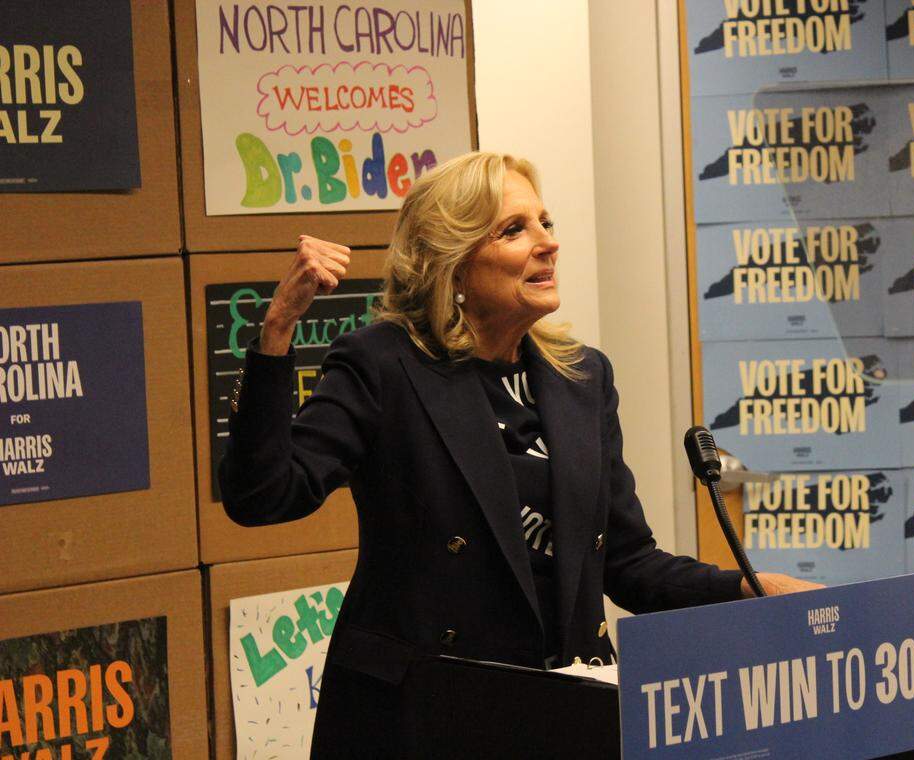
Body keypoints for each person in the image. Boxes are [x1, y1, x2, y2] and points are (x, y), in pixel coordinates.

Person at [218, 152, 821, 757]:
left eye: (546, 223)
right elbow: (264, 496)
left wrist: (747, 588)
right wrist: (276, 333)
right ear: (451, 266)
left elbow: (627, 563)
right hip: (424, 717)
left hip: (558, 711)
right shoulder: (384, 366)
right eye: (514, 230)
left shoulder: (582, 378)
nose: (547, 244)